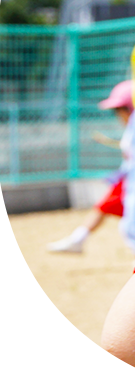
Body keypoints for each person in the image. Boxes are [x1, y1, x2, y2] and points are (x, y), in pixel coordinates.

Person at [49, 80, 135, 253]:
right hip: (128, 181)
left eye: (117, 111)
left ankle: (78, 238)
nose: (118, 116)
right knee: (105, 207)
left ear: (127, 109)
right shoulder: (131, 130)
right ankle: (78, 238)